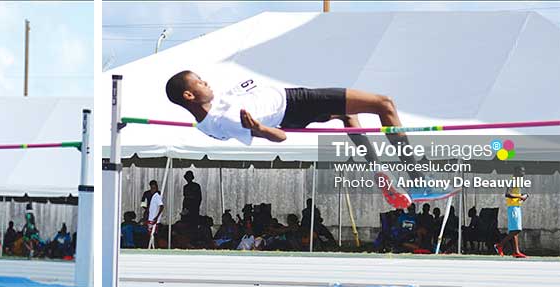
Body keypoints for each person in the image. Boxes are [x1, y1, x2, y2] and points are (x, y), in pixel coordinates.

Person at [164, 71, 452, 208]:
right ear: (188, 95)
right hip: (296, 104)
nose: (207, 82)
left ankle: (378, 169)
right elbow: (278, 137)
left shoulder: (206, 122)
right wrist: (259, 128)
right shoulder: (225, 119)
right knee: (384, 104)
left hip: (291, 109)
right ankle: (418, 179)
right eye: (200, 82)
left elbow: (212, 122)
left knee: (345, 117)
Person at [495, 166, 528, 258]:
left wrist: (522, 197)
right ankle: (500, 245)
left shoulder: (517, 182)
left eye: (524, 171)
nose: (523, 173)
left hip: (516, 206)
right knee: (517, 229)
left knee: (515, 230)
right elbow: (507, 194)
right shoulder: (513, 181)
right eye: (521, 171)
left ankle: (516, 252)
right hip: (513, 207)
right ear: (515, 172)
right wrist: (521, 197)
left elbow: (514, 194)